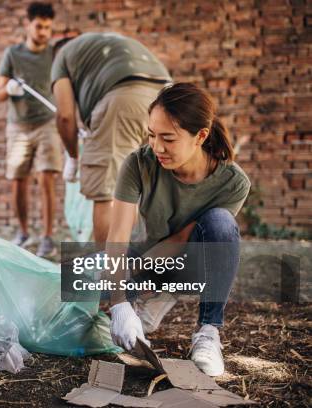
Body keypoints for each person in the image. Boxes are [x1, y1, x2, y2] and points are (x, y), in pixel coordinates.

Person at [105, 83, 251, 376]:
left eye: (168, 138)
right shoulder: (138, 163)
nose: (157, 147)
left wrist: (136, 281)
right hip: (147, 253)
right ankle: (145, 303)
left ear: (200, 136)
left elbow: (184, 240)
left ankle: (208, 332)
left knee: (221, 223)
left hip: (190, 260)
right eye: (151, 135)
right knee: (82, 285)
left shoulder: (233, 182)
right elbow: (117, 237)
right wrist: (119, 303)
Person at [52, 32, 172, 244]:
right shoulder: (104, 44)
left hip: (124, 99)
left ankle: (109, 273)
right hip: (168, 98)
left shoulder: (61, 56)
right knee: (135, 188)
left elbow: (65, 116)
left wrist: (72, 156)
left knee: (106, 194)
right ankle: (135, 265)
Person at [0, 2, 63, 257]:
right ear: (28, 24)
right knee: (18, 181)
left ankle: (47, 236)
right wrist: (9, 88)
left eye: (47, 27)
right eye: (39, 26)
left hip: (47, 123)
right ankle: (23, 232)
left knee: (47, 178)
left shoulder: (55, 54)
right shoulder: (13, 54)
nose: (44, 32)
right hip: (19, 127)